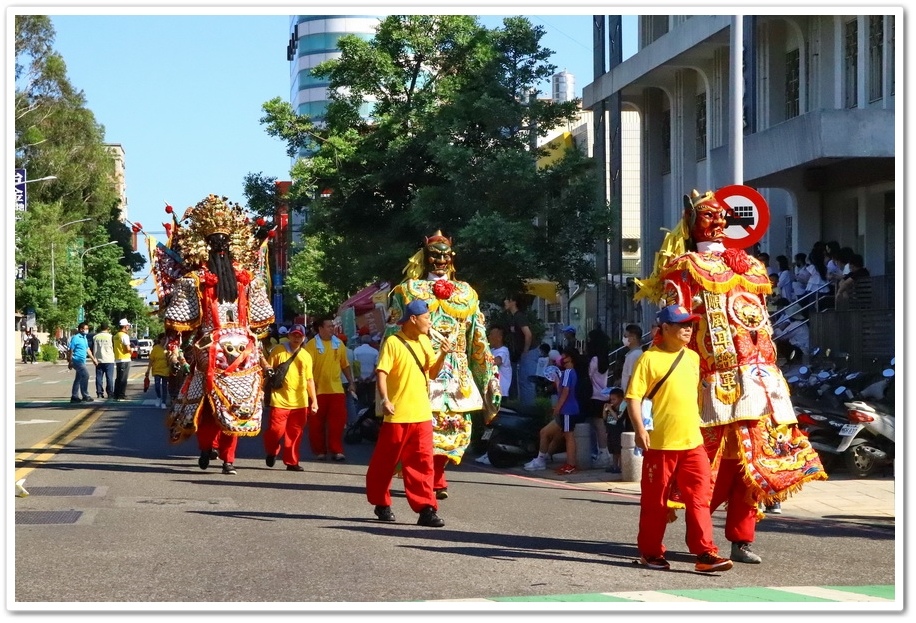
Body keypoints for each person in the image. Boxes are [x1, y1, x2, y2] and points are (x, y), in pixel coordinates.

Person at [634, 188, 827, 565]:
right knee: (702, 467)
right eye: (708, 216)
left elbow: (762, 321)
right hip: (710, 382)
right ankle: (685, 541)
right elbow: (676, 325)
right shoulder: (684, 267)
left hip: (759, 379)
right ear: (691, 223)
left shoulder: (751, 267)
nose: (719, 222)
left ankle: (742, 537)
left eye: (722, 216)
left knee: (751, 463)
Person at [157, 194, 275, 475]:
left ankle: (206, 448)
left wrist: (174, 349)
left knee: (205, 403)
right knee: (238, 402)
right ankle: (228, 458)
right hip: (246, 349)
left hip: (209, 348)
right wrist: (262, 357)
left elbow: (177, 322)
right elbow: (262, 323)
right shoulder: (250, 279)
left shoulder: (192, 280)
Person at [386, 231, 501, 499]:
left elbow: (477, 339)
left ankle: (436, 475)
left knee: (455, 429)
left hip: (456, 374)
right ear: (424, 258)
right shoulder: (407, 290)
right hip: (420, 370)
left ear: (452, 258)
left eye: (445, 255)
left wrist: (488, 377)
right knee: (420, 427)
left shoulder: (466, 293)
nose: (440, 260)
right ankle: (425, 478)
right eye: (434, 255)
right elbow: (393, 334)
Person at [625, 304, 733, 573]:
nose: (688, 329)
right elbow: (634, 397)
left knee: (699, 498)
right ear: (665, 328)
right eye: (682, 324)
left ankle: (705, 553)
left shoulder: (693, 358)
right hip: (659, 443)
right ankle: (651, 553)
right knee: (656, 503)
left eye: (690, 324)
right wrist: (639, 429)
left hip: (692, 442)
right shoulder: (648, 359)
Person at [366, 299, 451, 527]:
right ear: (413, 319)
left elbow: (431, 373)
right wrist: (385, 399)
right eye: (426, 318)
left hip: (421, 413)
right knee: (386, 462)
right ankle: (381, 502)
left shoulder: (425, 341)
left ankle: (426, 509)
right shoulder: (393, 342)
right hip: (397, 414)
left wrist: (442, 355)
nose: (429, 323)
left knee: (423, 463)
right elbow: (382, 372)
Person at [262, 323, 318, 471]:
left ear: (304, 338)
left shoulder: (306, 356)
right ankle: (272, 450)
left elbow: (309, 380)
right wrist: (260, 391)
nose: (296, 338)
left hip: (300, 402)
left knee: (295, 434)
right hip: (279, 400)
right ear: (288, 335)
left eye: (300, 336)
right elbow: (267, 372)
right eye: (294, 335)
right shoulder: (278, 351)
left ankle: (292, 461)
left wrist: (314, 401)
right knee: (275, 431)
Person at [305, 315, 358, 462]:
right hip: (317, 391)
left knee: (337, 423)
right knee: (316, 425)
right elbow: (305, 368)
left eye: (332, 326)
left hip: (336, 390)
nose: (332, 329)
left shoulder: (339, 344)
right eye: (329, 326)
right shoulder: (311, 345)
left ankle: (337, 450)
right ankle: (320, 451)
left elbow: (345, 365)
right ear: (320, 328)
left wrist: (351, 382)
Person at [523, 347, 582, 475]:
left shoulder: (568, 372)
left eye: (564, 356)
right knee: (546, 433)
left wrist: (557, 408)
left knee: (568, 436)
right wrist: (556, 381)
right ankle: (542, 459)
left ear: (569, 358)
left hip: (567, 411)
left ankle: (570, 464)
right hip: (567, 410)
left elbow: (565, 393)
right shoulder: (569, 373)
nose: (561, 359)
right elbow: (562, 391)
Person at [584, 329, 612, 469]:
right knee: (600, 425)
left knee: (598, 425)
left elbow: (588, 375)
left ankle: (603, 453)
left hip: (594, 395)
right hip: (603, 395)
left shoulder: (594, 360)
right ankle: (603, 452)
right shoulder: (604, 359)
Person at [503, 293, 532, 401]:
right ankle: (524, 406)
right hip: (521, 352)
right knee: (522, 381)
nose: (505, 302)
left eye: (507, 299)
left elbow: (528, 334)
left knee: (526, 381)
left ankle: (528, 410)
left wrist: (525, 351)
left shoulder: (519, 317)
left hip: (528, 351)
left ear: (513, 302)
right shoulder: (513, 317)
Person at [68, 322, 98, 403]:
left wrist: (93, 359)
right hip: (76, 361)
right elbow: (71, 350)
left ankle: (74, 396)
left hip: (82, 361)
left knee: (78, 378)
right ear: (81, 329)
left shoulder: (84, 337)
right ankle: (85, 395)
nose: (87, 330)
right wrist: (70, 361)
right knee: (86, 375)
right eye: (86, 329)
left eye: (87, 329)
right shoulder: (76, 338)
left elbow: (87, 349)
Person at [352, 327, 380, 409]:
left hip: (359, 381)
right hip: (372, 380)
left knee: (360, 401)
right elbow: (376, 366)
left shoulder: (356, 351)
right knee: (371, 400)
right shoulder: (375, 352)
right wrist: (370, 377)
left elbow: (355, 365)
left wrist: (359, 377)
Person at [603, 386, 629, 473]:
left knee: (619, 450)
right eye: (611, 399)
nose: (612, 401)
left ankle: (621, 466)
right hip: (611, 430)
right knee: (613, 450)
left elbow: (618, 418)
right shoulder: (612, 407)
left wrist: (610, 409)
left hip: (619, 430)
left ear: (621, 398)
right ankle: (614, 466)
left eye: (614, 399)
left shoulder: (623, 406)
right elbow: (605, 418)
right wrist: (605, 410)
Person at [144, 333, 171, 409]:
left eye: (166, 339)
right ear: (160, 340)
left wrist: (169, 354)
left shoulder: (168, 349)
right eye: (163, 339)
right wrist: (148, 370)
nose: (164, 340)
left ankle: (163, 402)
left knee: (165, 386)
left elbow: (170, 360)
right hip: (157, 370)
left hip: (165, 370)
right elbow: (151, 360)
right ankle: (158, 397)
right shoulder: (156, 348)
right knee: (157, 386)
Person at [91, 322, 115, 399]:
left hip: (98, 360)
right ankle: (110, 393)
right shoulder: (111, 337)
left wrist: (94, 358)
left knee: (99, 377)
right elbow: (114, 348)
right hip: (109, 359)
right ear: (108, 328)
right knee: (109, 377)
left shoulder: (95, 337)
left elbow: (92, 348)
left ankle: (99, 393)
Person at [488, 325, 512, 398]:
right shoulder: (492, 350)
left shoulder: (504, 351)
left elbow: (496, 362)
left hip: (501, 391)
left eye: (492, 334)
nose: (489, 337)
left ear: (499, 338)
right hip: (493, 390)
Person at [112, 319, 133, 401]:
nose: (128, 327)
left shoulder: (116, 335)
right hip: (125, 358)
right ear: (125, 326)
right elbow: (127, 348)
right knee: (123, 378)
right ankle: (121, 395)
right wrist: (132, 350)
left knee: (118, 378)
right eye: (127, 325)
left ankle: (116, 394)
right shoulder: (125, 336)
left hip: (118, 358)